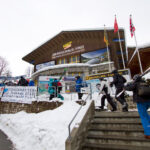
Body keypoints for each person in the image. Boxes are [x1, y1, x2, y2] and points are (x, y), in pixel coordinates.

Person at [124, 74, 150, 139]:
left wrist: (126, 85)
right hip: (148, 101)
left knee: (143, 117)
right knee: (146, 115)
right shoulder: (144, 83)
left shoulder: (135, 84)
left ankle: (148, 133)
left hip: (141, 102)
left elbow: (128, 88)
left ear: (135, 79)